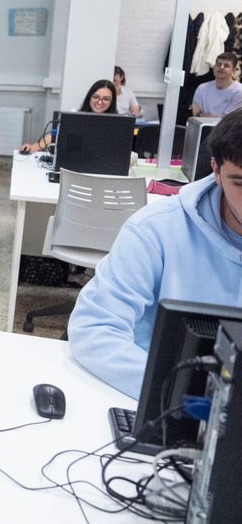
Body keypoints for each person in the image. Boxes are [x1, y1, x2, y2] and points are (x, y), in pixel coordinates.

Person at [68, 109, 242, 398]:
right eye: (240, 182)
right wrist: (191, 394)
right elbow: (94, 329)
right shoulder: (156, 229)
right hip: (160, 399)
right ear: (216, 171)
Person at [19, 79, 117, 154]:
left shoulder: (117, 124)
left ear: (112, 102)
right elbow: (54, 135)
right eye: (96, 97)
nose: (100, 102)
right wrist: (32, 148)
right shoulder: (75, 117)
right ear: (89, 97)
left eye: (106, 99)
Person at [192, 52, 242, 117]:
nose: (221, 67)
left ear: (234, 70)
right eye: (219, 64)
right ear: (214, 67)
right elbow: (196, 115)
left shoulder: (239, 91)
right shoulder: (202, 88)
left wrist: (204, 116)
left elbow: (228, 120)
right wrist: (217, 117)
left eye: (226, 65)